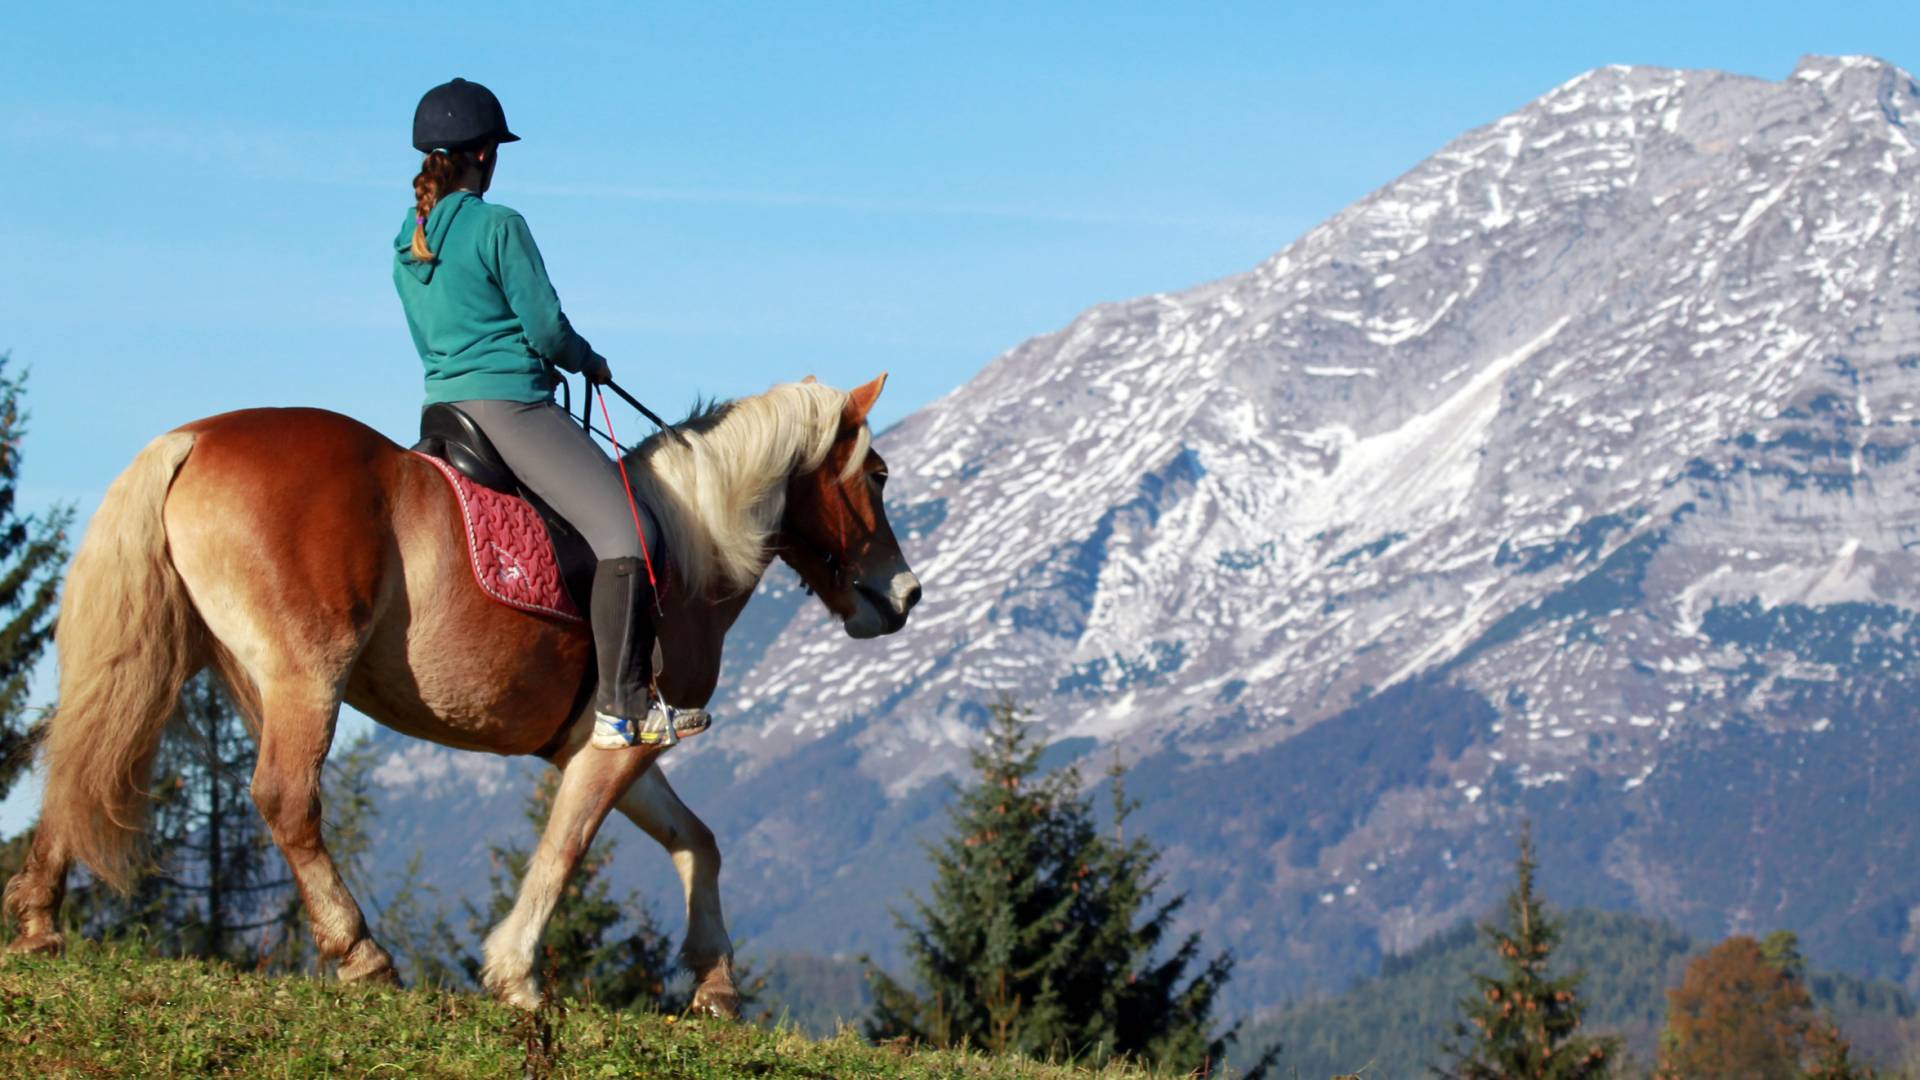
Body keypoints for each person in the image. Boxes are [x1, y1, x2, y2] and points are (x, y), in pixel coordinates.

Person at [392, 77, 707, 751]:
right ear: (485, 153)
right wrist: (587, 359)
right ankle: (623, 707)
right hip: (511, 408)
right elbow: (543, 328)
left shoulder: (406, 246)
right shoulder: (499, 225)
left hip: (442, 413)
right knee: (633, 533)